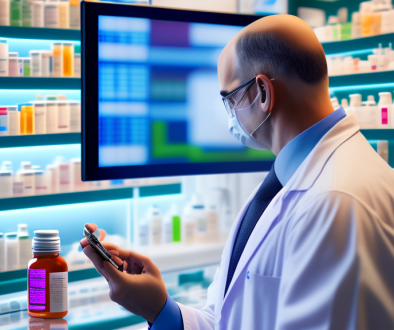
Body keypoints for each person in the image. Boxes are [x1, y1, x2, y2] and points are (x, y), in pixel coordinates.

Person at [80, 14, 394, 330]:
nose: (229, 115)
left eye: (229, 98)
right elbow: (229, 318)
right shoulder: (285, 182)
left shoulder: (335, 201)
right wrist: (159, 309)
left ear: (262, 92)